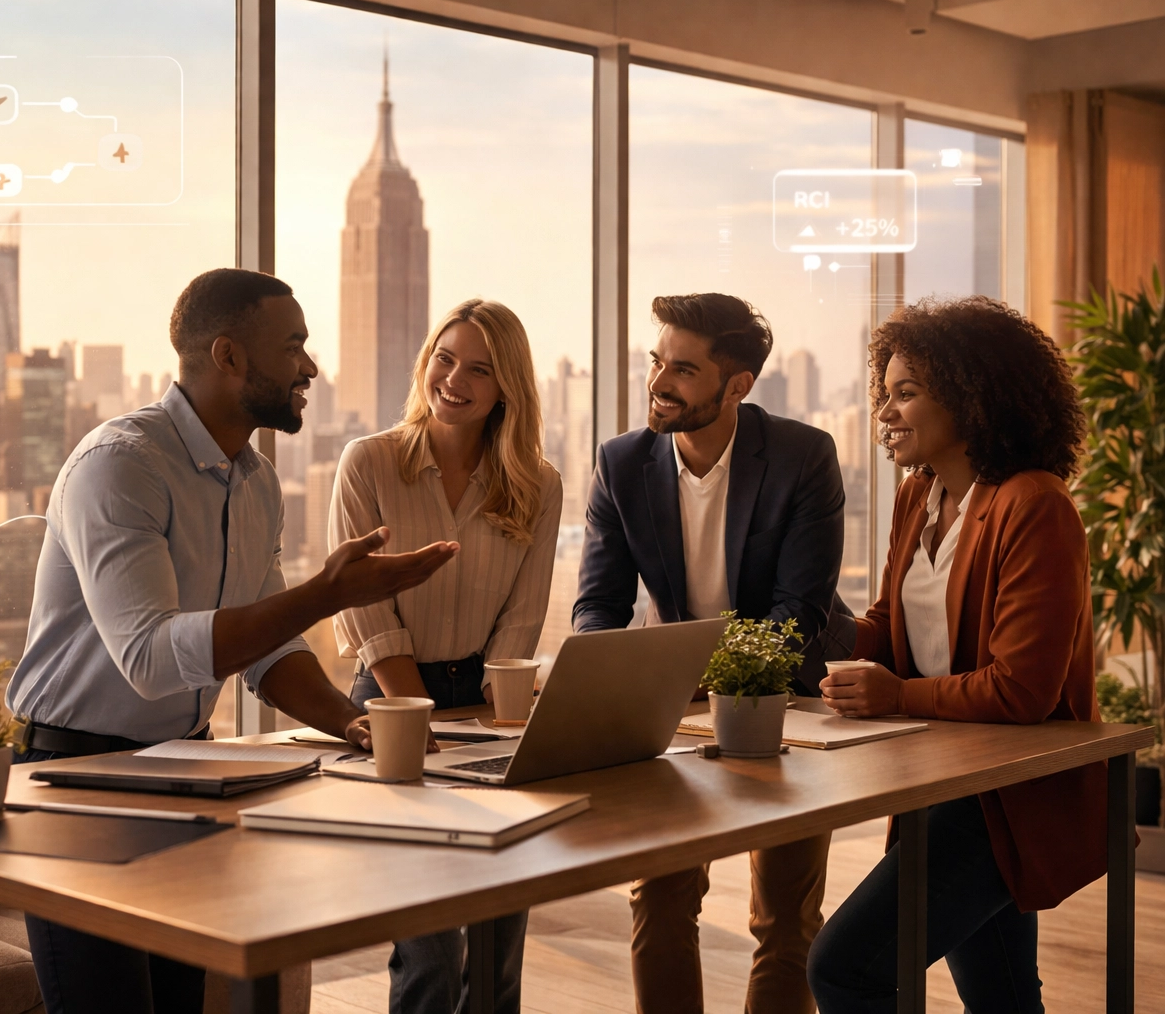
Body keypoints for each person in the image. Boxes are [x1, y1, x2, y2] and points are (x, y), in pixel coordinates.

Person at [4, 268, 459, 1014]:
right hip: (73, 781)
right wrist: (326, 593)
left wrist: (349, 722)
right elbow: (151, 658)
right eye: (295, 347)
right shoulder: (121, 465)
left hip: (181, 772)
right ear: (228, 357)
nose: (310, 367)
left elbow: (267, 647)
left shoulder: (256, 484)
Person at [808, 297, 1099, 1013]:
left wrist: (892, 696)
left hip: (1008, 795)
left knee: (847, 969)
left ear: (972, 398)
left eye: (906, 393)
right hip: (944, 779)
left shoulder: (1035, 505)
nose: (885, 413)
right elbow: (888, 627)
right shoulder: (920, 497)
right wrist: (804, 623)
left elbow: (1023, 690)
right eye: (885, 394)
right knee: (1002, 997)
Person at [574, 293, 851, 1014]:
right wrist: (614, 684)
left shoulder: (802, 456)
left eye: (684, 370)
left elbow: (800, 616)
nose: (660, 381)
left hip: (787, 699)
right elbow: (600, 606)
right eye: (655, 361)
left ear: (738, 387)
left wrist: (688, 673)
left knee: (784, 919)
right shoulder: (621, 463)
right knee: (661, 894)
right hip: (677, 703)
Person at [329, 298, 562, 1014]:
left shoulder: (537, 485)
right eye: (445, 358)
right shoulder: (368, 462)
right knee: (431, 939)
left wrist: (499, 718)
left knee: (499, 925)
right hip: (391, 695)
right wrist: (411, 711)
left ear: (507, 389)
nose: (454, 379)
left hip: (492, 699)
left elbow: (523, 620)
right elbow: (367, 611)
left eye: (480, 369)